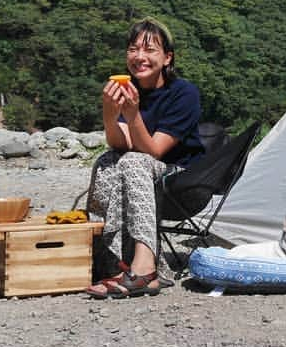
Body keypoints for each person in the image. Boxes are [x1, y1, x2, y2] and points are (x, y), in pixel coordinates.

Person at [84, 18, 203, 299]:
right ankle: (110, 263)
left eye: (150, 50)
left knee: (133, 161)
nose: (140, 57)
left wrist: (133, 112)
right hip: (143, 177)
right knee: (107, 160)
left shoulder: (184, 93)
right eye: (133, 49)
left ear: (166, 58)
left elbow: (153, 152)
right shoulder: (129, 90)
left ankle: (146, 270)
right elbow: (118, 142)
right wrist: (110, 112)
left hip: (184, 183)